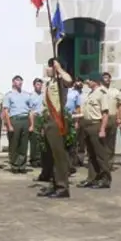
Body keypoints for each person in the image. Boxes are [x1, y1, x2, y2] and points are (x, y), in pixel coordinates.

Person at [38, 58, 73, 199]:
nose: (46, 69)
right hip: (48, 121)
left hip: (57, 120)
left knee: (59, 156)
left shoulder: (60, 81)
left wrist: (59, 68)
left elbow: (69, 80)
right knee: (50, 156)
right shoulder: (50, 83)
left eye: (49, 66)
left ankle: (62, 187)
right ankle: (54, 184)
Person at [78, 73, 112, 190]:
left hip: (96, 125)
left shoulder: (102, 93)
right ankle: (92, 178)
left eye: (90, 80)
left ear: (95, 81)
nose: (88, 82)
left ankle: (105, 179)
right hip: (87, 125)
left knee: (100, 154)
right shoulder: (90, 94)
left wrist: (102, 129)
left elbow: (105, 113)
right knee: (91, 155)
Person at [2, 75, 38, 174]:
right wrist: (9, 125)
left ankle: (22, 165)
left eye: (21, 81)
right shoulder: (9, 95)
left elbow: (31, 111)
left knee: (24, 144)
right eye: (17, 81)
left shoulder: (27, 95)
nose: (20, 83)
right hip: (15, 120)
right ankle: (14, 165)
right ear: (13, 82)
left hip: (25, 120)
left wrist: (31, 125)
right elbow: (6, 112)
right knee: (14, 144)